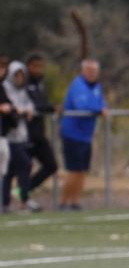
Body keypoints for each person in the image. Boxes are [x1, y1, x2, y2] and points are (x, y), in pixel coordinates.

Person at [59, 58, 107, 211]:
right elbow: (82, 106)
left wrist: (102, 108)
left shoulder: (97, 87)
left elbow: (103, 104)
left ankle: (75, 203)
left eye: (95, 71)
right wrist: (99, 110)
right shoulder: (78, 85)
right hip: (73, 134)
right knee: (74, 170)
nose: (92, 74)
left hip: (87, 136)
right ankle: (63, 203)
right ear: (83, 71)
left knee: (82, 171)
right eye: (89, 70)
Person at [21, 54, 57, 210]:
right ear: (27, 66)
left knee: (51, 165)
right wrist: (51, 108)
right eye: (34, 66)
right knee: (23, 167)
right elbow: (33, 105)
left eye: (40, 66)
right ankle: (17, 200)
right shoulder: (23, 83)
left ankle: (24, 191)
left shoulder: (41, 84)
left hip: (38, 134)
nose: (38, 70)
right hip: (25, 134)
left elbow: (42, 104)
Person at [1, 61, 31, 211]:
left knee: (8, 171)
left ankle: (5, 203)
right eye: (16, 75)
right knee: (25, 164)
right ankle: (21, 198)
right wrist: (15, 109)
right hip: (9, 136)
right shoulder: (5, 87)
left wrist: (25, 110)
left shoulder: (23, 90)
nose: (19, 78)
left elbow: (29, 104)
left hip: (18, 136)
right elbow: (9, 106)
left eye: (21, 75)